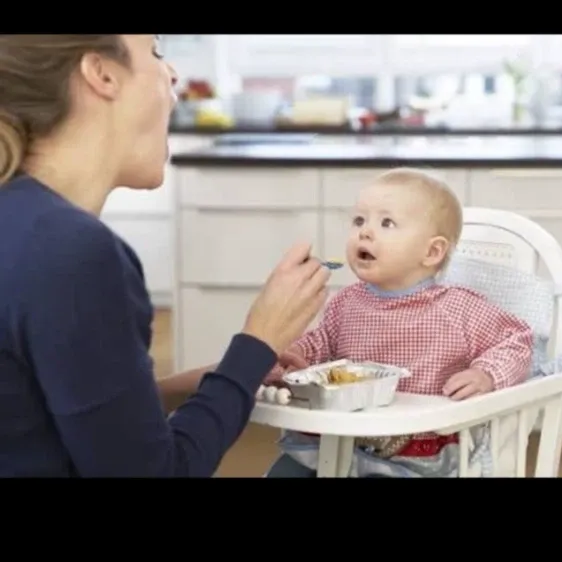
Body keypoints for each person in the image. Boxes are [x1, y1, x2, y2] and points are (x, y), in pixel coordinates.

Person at [0, 34, 330, 477]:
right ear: (101, 73)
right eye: (155, 51)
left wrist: (228, 375)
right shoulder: (73, 253)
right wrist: (261, 339)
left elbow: (63, 420)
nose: (172, 72)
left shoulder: (22, 223)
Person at [263, 168, 534, 478]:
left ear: (432, 252)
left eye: (386, 222)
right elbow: (319, 343)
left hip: (412, 457)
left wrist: (486, 373)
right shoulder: (346, 302)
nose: (364, 232)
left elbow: (517, 339)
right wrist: (290, 358)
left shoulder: (458, 307)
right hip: (341, 442)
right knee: (285, 471)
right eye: (359, 220)